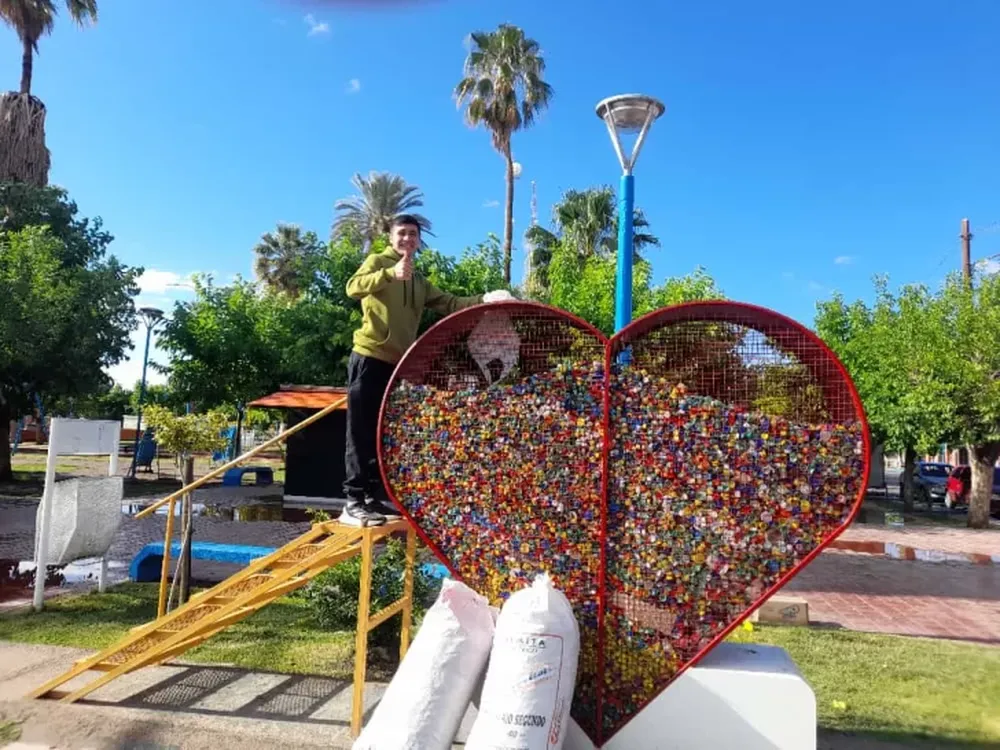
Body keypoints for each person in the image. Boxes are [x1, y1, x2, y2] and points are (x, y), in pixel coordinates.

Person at [341, 214, 513, 526]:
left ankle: (373, 499)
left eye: (413, 235)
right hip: (369, 356)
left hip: (397, 367)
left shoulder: (419, 281)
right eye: (401, 233)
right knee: (360, 430)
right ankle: (352, 501)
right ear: (391, 237)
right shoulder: (378, 261)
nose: (407, 239)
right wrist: (390, 274)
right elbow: (353, 288)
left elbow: (449, 303)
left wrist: (486, 299)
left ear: (419, 241)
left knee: (383, 433)